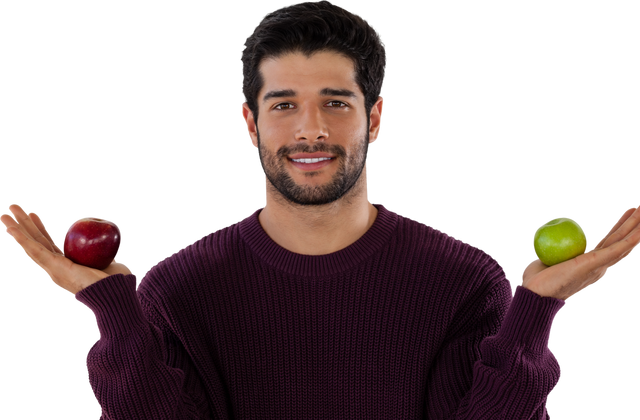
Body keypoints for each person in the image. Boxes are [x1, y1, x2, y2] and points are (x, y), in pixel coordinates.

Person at [2, 1, 639, 419]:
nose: (310, 131)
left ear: (376, 118)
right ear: (249, 123)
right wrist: (114, 308)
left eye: (336, 102)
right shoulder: (177, 289)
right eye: (283, 105)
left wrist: (534, 310)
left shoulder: (462, 279)